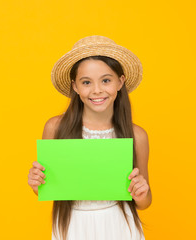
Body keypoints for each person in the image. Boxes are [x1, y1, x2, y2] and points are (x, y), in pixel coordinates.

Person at [28, 35, 152, 240]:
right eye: (86, 82)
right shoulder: (55, 128)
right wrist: (37, 183)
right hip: (73, 225)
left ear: (120, 82)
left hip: (119, 224)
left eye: (106, 80)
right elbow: (48, 188)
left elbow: (145, 202)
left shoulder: (137, 135)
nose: (97, 90)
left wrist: (141, 191)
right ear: (75, 86)